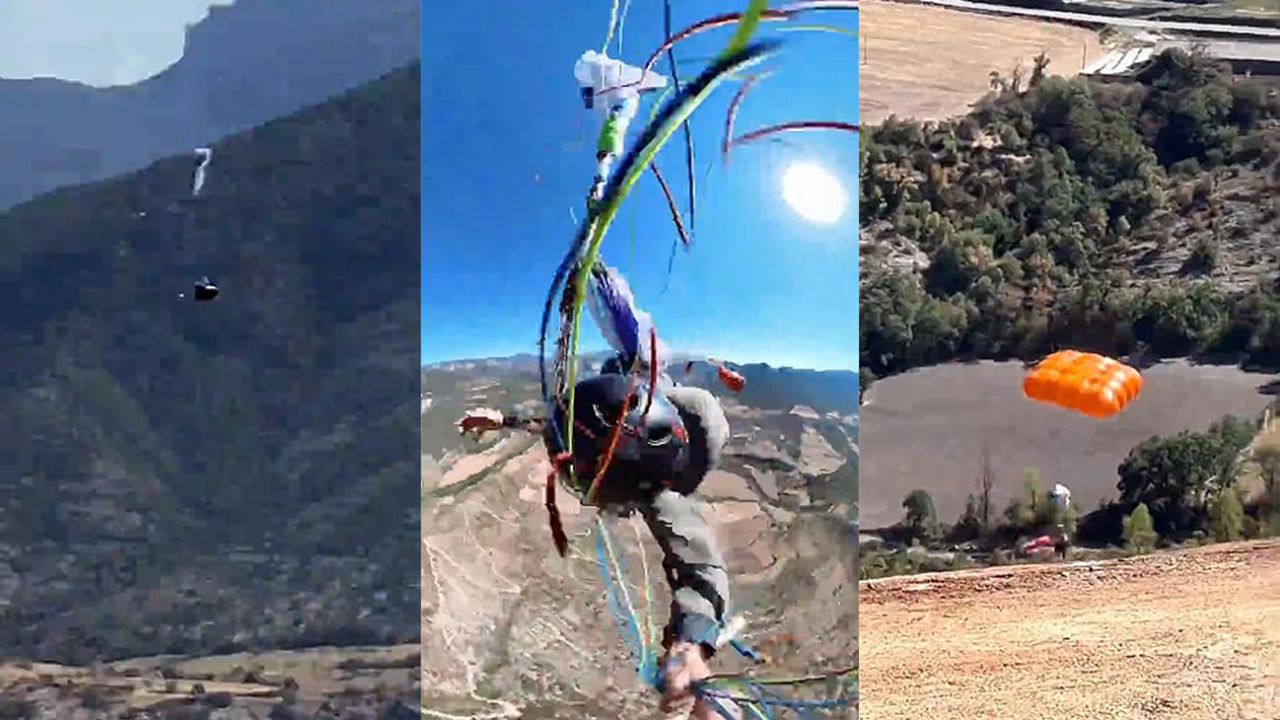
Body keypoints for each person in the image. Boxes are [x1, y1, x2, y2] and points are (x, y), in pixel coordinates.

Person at [458, 356, 740, 718]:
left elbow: (702, 569)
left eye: (578, 473)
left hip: (672, 438)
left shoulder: (659, 490)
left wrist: (691, 644)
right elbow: (571, 425)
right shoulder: (619, 419)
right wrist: (505, 419)